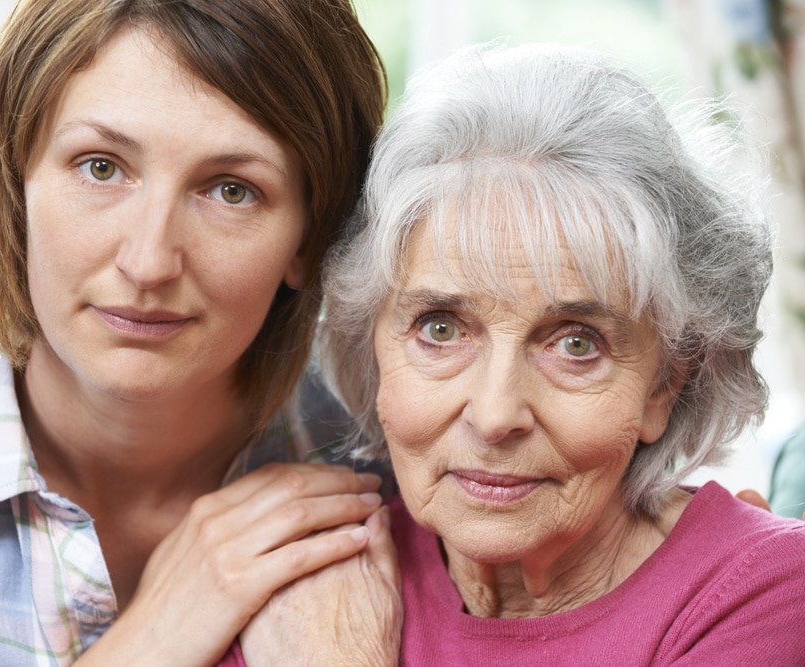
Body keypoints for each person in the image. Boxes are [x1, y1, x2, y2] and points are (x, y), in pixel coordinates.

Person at [0, 1, 401, 664]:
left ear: (310, 236)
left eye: (231, 189)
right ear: (16, 180)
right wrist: (158, 631)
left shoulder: (388, 447)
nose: (149, 262)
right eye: (101, 166)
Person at [314, 42, 805, 664]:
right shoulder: (314, 563)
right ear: (372, 347)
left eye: (576, 344)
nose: (494, 416)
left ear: (665, 384)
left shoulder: (765, 594)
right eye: (440, 329)